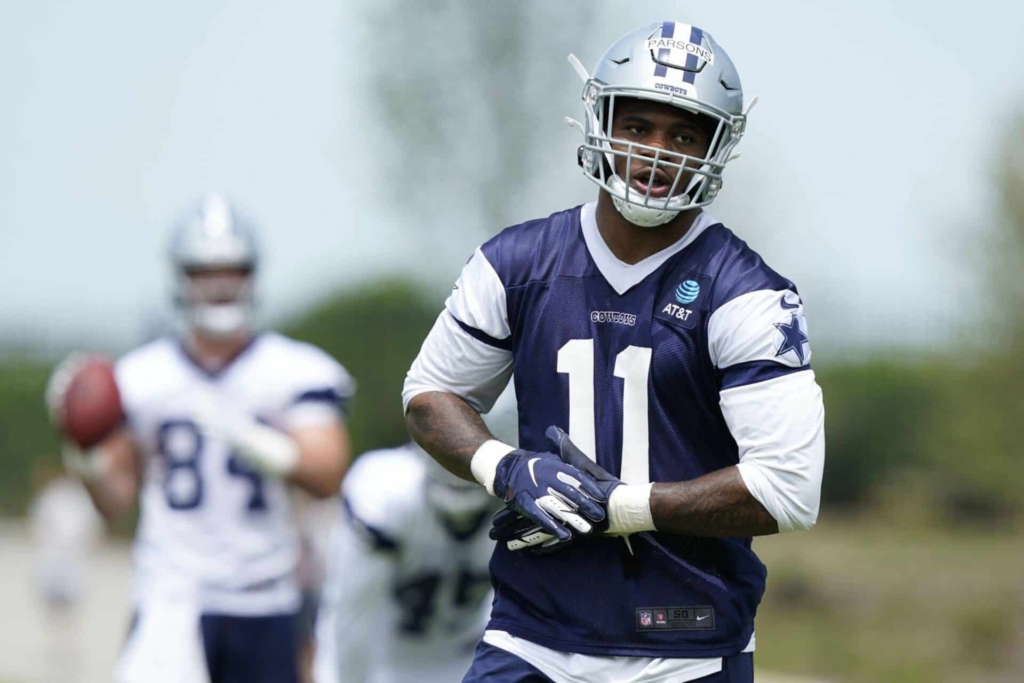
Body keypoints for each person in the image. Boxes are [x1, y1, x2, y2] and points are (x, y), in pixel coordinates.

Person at [403, 21, 825, 683]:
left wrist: (625, 505)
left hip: (684, 646)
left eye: (684, 134)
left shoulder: (746, 292)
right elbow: (430, 395)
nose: (657, 154)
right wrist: (506, 466)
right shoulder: (516, 262)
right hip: (531, 634)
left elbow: (789, 490)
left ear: (717, 147)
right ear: (599, 122)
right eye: (638, 127)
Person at [46, 195, 355, 683]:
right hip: (171, 599)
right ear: (180, 277)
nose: (219, 282)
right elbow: (114, 502)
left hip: (265, 599)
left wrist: (266, 448)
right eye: (203, 269)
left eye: (233, 268)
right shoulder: (140, 377)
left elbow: (328, 472)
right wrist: (85, 453)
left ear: (252, 274)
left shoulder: (293, 369)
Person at [312, 388, 516, 683]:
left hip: (471, 664)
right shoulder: (387, 491)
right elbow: (353, 614)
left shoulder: (519, 504)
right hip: (384, 665)